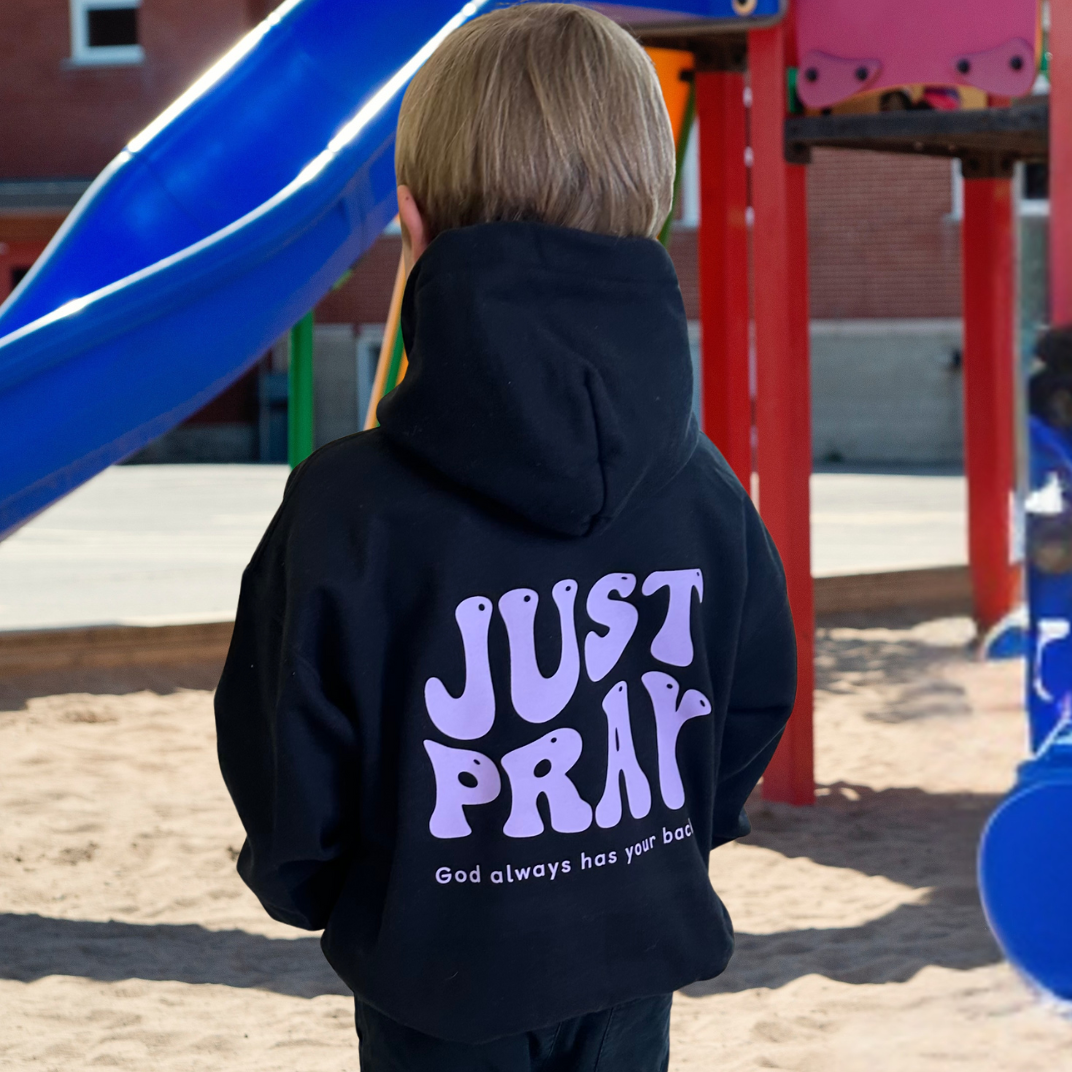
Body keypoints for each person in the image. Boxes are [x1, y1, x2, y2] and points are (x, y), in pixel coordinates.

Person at [214, 5, 796, 1070]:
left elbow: (288, 755)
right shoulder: (707, 488)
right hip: (634, 950)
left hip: (436, 980)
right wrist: (658, 842)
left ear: (412, 221)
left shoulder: (350, 507)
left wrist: (328, 890)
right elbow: (750, 695)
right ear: (650, 207)